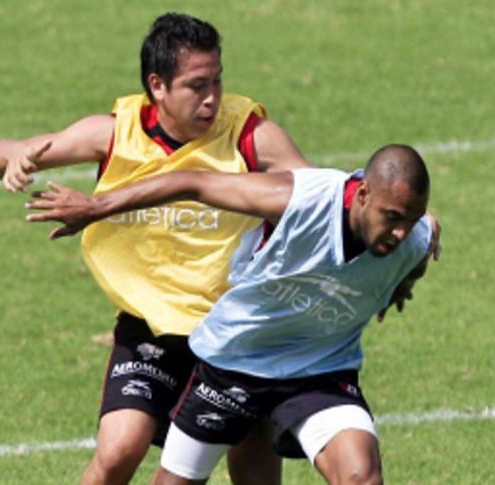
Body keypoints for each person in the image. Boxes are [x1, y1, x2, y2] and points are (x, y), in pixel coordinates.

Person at [0, 12, 314, 485]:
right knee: (119, 451)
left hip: (236, 331)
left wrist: (405, 218)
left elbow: (323, 196)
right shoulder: (116, 133)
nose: (212, 98)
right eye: (197, 85)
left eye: (218, 82)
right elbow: (2, 151)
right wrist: (12, 157)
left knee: (255, 468)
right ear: (157, 86)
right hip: (149, 329)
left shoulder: (250, 136)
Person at [25, 143, 437, 484]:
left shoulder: (413, 240)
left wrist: (400, 285)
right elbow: (192, 181)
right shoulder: (298, 200)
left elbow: (421, 247)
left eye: (411, 220)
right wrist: (96, 207)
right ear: (363, 194)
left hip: (320, 370)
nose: (400, 233)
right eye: (392, 218)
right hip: (234, 362)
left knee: (361, 477)